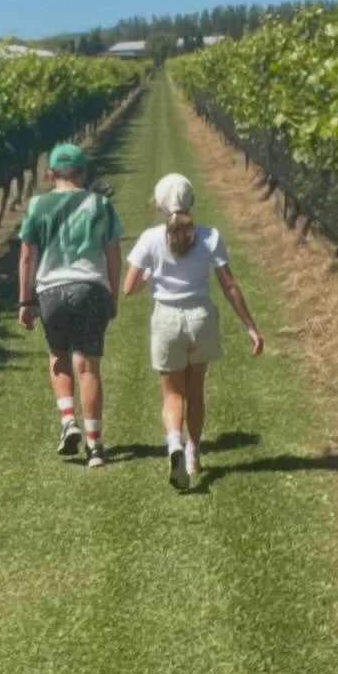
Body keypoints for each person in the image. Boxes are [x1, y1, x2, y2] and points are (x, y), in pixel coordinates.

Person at [122, 172, 263, 491]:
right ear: (192, 201)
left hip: (167, 321)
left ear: (159, 204)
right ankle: (193, 452)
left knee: (172, 393)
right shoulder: (210, 237)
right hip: (200, 317)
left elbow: (128, 288)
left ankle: (173, 442)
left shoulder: (150, 239)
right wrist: (251, 327)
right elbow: (229, 285)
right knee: (195, 390)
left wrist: (149, 274)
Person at [17, 142, 123, 468]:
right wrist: (112, 295)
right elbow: (113, 253)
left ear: (50, 174)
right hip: (90, 287)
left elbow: (26, 257)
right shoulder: (100, 205)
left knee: (58, 356)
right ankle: (95, 446)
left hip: (51, 290)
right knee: (88, 366)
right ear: (83, 172)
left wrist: (25, 300)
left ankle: (68, 420)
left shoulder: (37, 206)